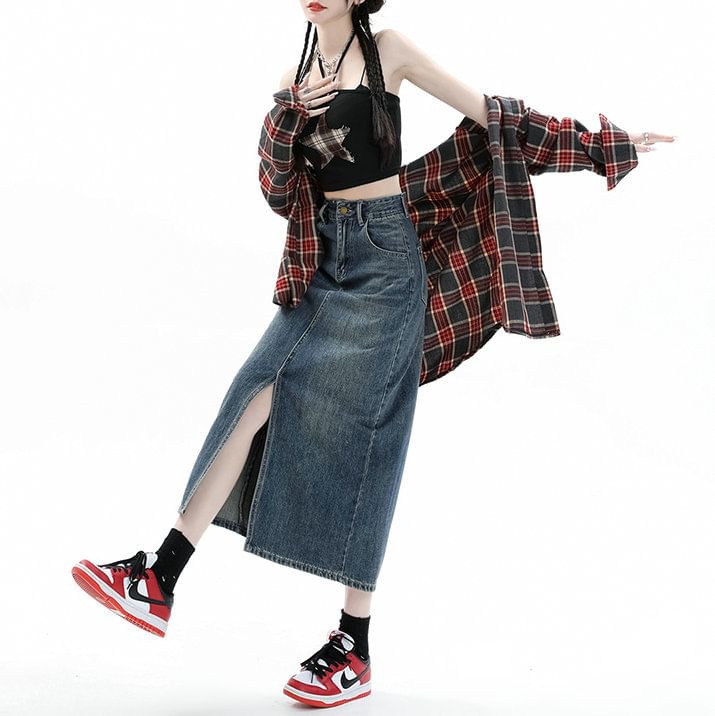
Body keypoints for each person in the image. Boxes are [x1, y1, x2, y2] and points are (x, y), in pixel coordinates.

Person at [71, 0, 674, 709]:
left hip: (387, 265)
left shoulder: (391, 50)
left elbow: (495, 117)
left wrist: (602, 145)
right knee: (254, 390)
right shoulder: (294, 79)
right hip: (324, 260)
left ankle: (352, 645)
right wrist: (287, 115)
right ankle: (159, 578)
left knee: (372, 438)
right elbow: (276, 190)